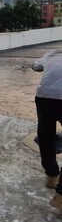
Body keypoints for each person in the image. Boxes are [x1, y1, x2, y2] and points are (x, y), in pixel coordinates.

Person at [32, 49, 62, 209]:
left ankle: (51, 175)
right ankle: (61, 197)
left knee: (46, 135)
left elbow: (35, 67)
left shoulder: (51, 54)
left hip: (45, 97)